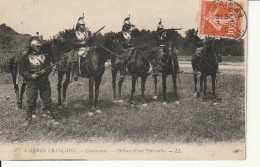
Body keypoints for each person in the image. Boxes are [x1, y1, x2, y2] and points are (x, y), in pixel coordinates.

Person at [20, 37, 58, 126]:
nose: (38, 48)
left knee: (47, 100)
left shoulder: (45, 56)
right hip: (32, 82)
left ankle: (50, 118)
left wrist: (46, 71)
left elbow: (49, 68)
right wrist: (30, 75)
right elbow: (23, 71)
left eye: (39, 46)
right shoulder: (26, 58)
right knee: (30, 101)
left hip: (44, 81)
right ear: (32, 47)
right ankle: (28, 120)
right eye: (36, 46)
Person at [73, 15, 92, 80]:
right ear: (78, 25)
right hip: (79, 48)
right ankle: (75, 72)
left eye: (84, 25)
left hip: (87, 47)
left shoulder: (86, 32)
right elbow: (74, 43)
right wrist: (81, 43)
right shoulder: (76, 33)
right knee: (76, 56)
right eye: (82, 25)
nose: (83, 26)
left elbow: (90, 41)